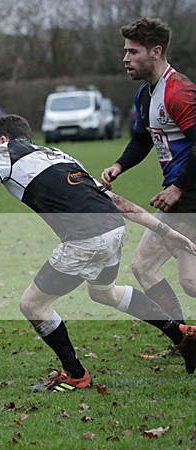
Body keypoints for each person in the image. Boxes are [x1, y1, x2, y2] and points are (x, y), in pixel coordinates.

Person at [0, 114, 196, 392]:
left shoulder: (3, 151)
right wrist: (166, 232)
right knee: (104, 292)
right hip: (115, 228)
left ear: (1, 139)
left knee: (33, 305)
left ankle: (75, 374)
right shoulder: (59, 155)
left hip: (88, 236)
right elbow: (115, 201)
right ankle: (180, 333)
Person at [101, 17, 196, 324]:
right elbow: (142, 138)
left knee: (190, 281)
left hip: (190, 195)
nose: (125, 59)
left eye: (133, 52)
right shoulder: (146, 93)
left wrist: (178, 187)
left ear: (155, 52)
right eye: (126, 51)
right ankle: (184, 336)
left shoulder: (178, 92)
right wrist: (120, 165)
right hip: (181, 197)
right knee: (144, 266)